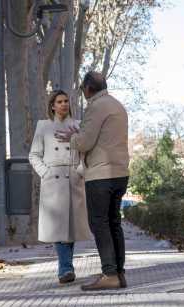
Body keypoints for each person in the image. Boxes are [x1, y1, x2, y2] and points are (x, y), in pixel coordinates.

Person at [55, 72, 129, 291]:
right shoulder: (117, 105)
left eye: (82, 89)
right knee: (114, 222)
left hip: (101, 175)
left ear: (88, 88)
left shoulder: (96, 106)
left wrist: (73, 138)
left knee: (99, 223)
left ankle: (109, 274)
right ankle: (119, 273)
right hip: (120, 172)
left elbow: (86, 143)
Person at [28, 89, 91, 284]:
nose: (64, 104)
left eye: (66, 101)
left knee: (70, 228)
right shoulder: (44, 126)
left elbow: (86, 153)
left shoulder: (78, 125)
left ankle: (66, 268)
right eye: (60, 101)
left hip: (73, 179)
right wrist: (45, 173)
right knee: (59, 228)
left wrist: (80, 171)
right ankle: (65, 269)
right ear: (52, 106)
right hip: (53, 181)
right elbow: (34, 155)